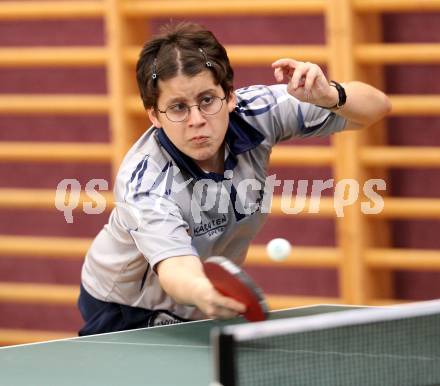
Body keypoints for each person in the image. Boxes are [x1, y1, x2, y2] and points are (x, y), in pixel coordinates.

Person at [77, 22, 391, 335]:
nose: (197, 120)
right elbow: (175, 269)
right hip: (128, 305)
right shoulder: (146, 180)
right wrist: (203, 292)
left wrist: (330, 95)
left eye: (207, 100)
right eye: (177, 108)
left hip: (201, 298)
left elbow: (377, 107)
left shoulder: (258, 112)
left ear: (229, 96)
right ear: (154, 116)